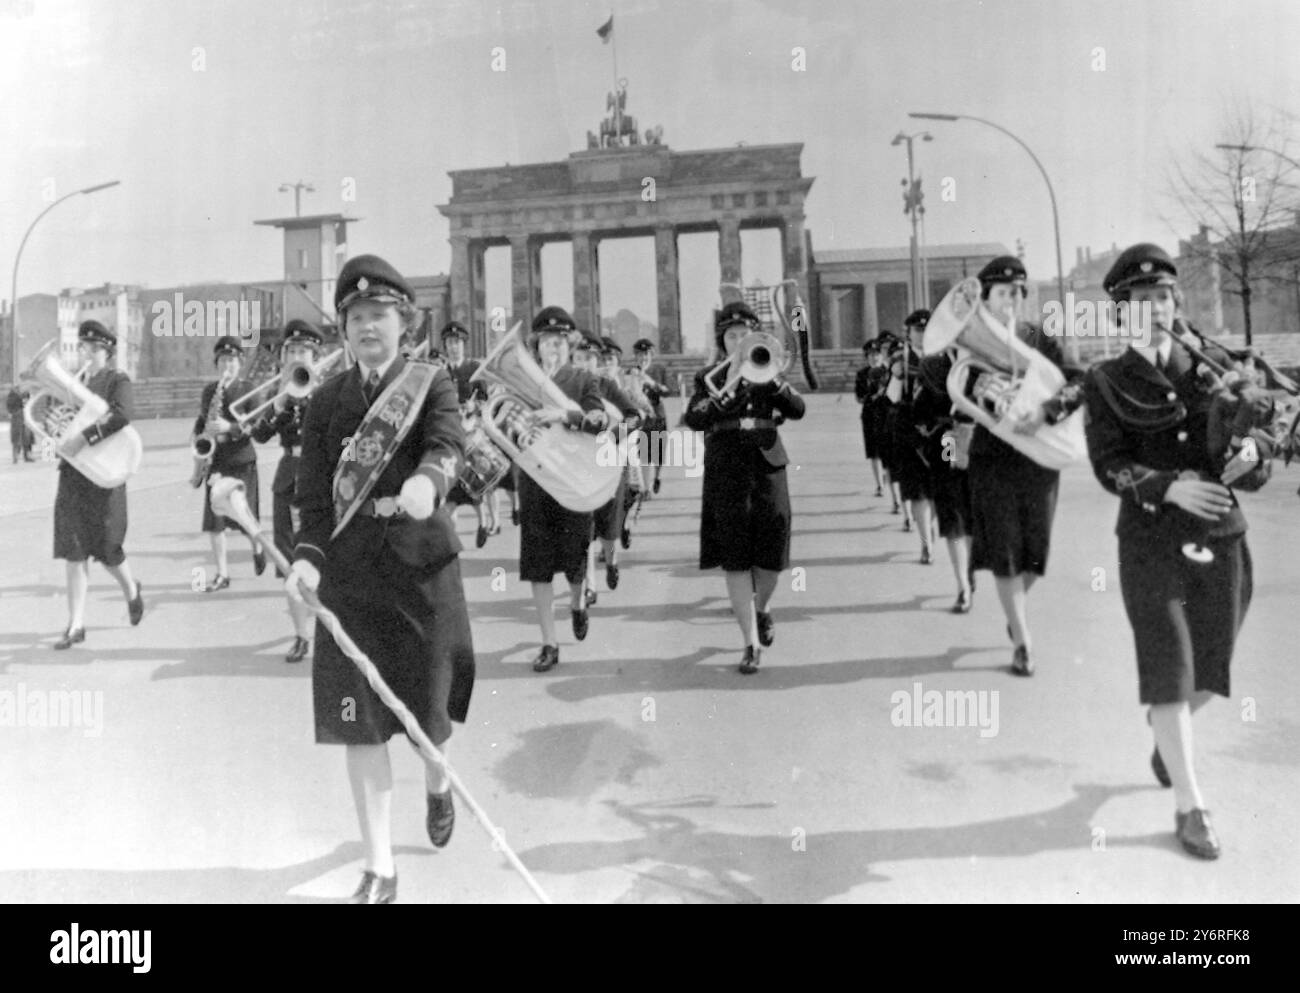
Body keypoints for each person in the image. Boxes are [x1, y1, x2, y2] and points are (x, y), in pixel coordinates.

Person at [286, 254, 477, 903]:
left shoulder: (431, 382)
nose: (368, 326)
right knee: (359, 723)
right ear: (344, 328)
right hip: (349, 577)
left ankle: (438, 780)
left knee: (425, 719)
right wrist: (307, 557)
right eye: (357, 316)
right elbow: (313, 499)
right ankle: (380, 867)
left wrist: (429, 479)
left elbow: (448, 442)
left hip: (420, 570)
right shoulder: (325, 400)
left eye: (380, 315)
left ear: (404, 322)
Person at [1083, 243, 1264, 860]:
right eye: (1139, 302)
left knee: (1210, 672)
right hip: (1150, 544)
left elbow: (1253, 448)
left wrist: (1253, 457)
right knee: (1170, 671)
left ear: (1176, 302)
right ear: (1121, 316)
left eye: (1162, 297)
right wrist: (1168, 486)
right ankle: (1192, 807)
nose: (1154, 309)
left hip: (1223, 537)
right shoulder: (1105, 382)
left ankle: (1168, 736)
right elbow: (1108, 467)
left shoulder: (1215, 368)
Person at [966, 256, 1083, 676]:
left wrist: (1047, 411)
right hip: (993, 459)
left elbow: (1080, 380)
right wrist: (978, 389)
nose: (1011, 300)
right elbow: (946, 393)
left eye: (1017, 292)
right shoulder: (968, 344)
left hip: (1038, 457)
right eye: (1002, 293)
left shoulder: (1038, 337)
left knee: (1036, 553)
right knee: (1005, 551)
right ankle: (1022, 638)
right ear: (987, 297)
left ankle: (1014, 612)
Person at [683, 301, 806, 674]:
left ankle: (763, 607)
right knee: (735, 557)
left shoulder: (768, 368)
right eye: (732, 336)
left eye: (744, 335)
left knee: (772, 549)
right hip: (726, 466)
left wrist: (776, 383)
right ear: (723, 342)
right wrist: (720, 404)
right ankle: (750, 643)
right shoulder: (709, 376)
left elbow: (798, 409)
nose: (739, 341)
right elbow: (694, 418)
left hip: (767, 463)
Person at [516, 308, 609, 673]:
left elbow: (599, 422)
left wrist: (564, 416)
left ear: (569, 345)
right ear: (536, 346)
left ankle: (576, 601)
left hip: (572, 482)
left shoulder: (584, 379)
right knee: (537, 566)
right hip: (536, 482)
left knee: (574, 560)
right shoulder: (523, 380)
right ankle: (549, 643)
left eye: (559, 342)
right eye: (545, 343)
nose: (551, 349)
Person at [50, 321, 144, 648]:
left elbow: (122, 414)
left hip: (105, 474)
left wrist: (84, 438)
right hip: (74, 475)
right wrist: (60, 433)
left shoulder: (117, 380)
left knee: (107, 549)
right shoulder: (74, 384)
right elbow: (58, 422)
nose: (86, 354)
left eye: (93, 348)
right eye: (84, 348)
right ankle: (76, 624)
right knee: (74, 550)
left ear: (107, 350)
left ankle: (132, 590)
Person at [249, 319, 326, 663]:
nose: (298, 356)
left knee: (323, 559)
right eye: (292, 351)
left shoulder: (328, 392)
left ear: (315, 355)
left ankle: (329, 629)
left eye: (304, 351)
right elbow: (260, 436)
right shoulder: (279, 395)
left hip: (320, 478)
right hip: (287, 477)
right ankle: (300, 635)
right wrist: (279, 403)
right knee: (289, 560)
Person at [194, 335, 265, 591]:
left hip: (242, 460)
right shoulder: (209, 391)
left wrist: (230, 427)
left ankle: (258, 547)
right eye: (223, 361)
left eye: (232, 360)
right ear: (217, 364)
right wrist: (201, 439)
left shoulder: (249, 388)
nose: (228, 366)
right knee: (216, 522)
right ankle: (222, 573)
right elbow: (202, 422)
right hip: (217, 462)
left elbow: (256, 424)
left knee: (247, 517)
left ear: (241, 362)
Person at [916, 350, 975, 612]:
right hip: (947, 443)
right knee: (952, 520)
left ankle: (969, 569)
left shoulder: (985, 360)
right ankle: (962, 585)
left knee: (973, 520)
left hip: (978, 448)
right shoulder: (931, 366)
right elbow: (919, 411)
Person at [438, 320, 499, 548]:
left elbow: (484, 399)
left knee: (474, 480)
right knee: (452, 485)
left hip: (471, 431)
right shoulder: (441, 371)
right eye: (450, 343)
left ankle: (483, 523)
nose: (454, 347)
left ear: (464, 345)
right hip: (451, 432)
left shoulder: (473, 369)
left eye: (458, 343)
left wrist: (474, 408)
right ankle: (449, 536)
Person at [889, 311, 939, 562]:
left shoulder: (942, 355)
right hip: (909, 429)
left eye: (926, 329)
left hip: (939, 429)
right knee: (918, 491)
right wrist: (895, 373)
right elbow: (893, 395)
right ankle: (926, 544)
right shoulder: (900, 357)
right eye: (917, 330)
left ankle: (928, 528)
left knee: (940, 487)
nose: (922, 334)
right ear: (908, 332)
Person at [631, 337, 672, 495]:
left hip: (658, 416)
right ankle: (646, 488)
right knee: (644, 453)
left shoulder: (659, 370)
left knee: (659, 453)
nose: (643, 358)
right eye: (640, 354)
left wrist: (651, 383)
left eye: (646, 354)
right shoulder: (631, 372)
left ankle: (657, 477)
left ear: (652, 355)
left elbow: (668, 391)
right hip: (642, 418)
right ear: (636, 356)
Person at [853, 340, 890, 497]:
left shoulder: (890, 372)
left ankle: (887, 478)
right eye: (871, 355)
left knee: (887, 451)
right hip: (869, 415)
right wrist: (873, 395)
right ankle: (879, 485)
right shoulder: (862, 374)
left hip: (887, 415)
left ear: (882, 356)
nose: (874, 358)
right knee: (873, 452)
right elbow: (859, 397)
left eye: (877, 354)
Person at [7, 381, 35, 463]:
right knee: (17, 439)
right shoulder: (13, 395)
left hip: (24, 418)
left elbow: (27, 403)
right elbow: (10, 407)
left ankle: (26, 456)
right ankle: (16, 457)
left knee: (27, 438)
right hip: (17, 418)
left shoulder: (24, 394)